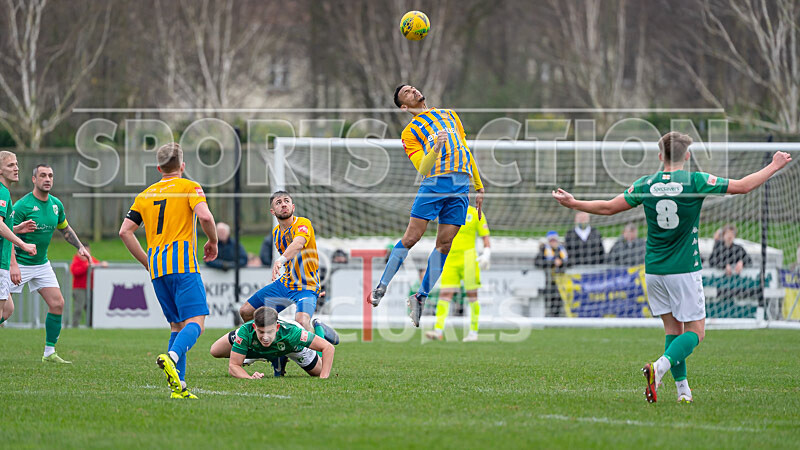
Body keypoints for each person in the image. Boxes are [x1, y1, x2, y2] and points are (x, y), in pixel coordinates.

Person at [552, 131, 791, 404]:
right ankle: (660, 367)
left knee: (673, 330)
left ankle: (683, 392)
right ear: (687, 156)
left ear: (659, 156)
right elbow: (743, 186)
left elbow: (608, 208)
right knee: (696, 332)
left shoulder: (646, 183)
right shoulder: (695, 181)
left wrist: (574, 203)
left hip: (654, 270)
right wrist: (774, 165)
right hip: (684, 269)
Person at [371, 84, 485, 328]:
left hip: (461, 187)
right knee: (412, 238)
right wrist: (435, 148)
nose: (412, 91)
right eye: (406, 93)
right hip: (434, 184)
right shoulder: (410, 132)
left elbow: (465, 150)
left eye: (412, 88)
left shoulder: (449, 114)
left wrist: (478, 185)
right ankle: (381, 286)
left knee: (445, 244)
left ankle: (420, 297)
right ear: (404, 107)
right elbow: (422, 168)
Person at [119, 143, 219, 399]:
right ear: (182, 166)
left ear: (159, 168)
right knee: (196, 323)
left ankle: (178, 387)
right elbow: (206, 217)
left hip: (158, 269)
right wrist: (213, 241)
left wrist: (147, 261)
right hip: (183, 265)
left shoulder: (144, 195)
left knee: (177, 325)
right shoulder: (189, 187)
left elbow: (125, 232)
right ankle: (172, 357)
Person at [12, 164, 91, 363]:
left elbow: (65, 229)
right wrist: (12, 264)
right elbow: (6, 235)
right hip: (19, 263)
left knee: (57, 304)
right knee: (4, 311)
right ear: (34, 179)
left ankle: (49, 352)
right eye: (43, 175)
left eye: (50, 176)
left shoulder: (56, 205)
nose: (47, 179)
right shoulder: (22, 206)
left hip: (41, 264)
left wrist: (80, 247)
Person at [209, 306, 338, 379]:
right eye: (261, 332)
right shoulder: (245, 331)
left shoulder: (292, 333)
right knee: (215, 351)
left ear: (276, 328)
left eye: (269, 332)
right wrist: (250, 378)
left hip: (291, 347)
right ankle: (273, 356)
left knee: (319, 371)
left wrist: (324, 378)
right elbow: (233, 366)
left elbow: (328, 348)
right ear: (254, 327)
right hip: (259, 346)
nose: (265, 337)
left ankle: (319, 328)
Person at [425, 204, 490, 342]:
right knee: (445, 294)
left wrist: (487, 254)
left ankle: (473, 332)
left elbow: (485, 237)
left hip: (469, 259)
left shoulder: (476, 213)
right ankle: (438, 330)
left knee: (472, 295)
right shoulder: (448, 210)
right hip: (450, 259)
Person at [0, 151, 38, 327]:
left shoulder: (4, 192)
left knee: (8, 309)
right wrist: (22, 243)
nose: (16, 168)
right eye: (10, 165)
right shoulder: (2, 192)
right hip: (1, 262)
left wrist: (15, 229)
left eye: (16, 164)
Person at [69, 243, 108, 327]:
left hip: (90, 288)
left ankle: (91, 325)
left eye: (87, 251)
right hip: (79, 289)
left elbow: (97, 265)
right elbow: (75, 271)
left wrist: (103, 264)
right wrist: (86, 266)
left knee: (91, 308)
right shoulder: (76, 261)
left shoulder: (91, 260)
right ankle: (75, 326)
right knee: (78, 308)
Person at [534, 231, 568, 317]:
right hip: (549, 283)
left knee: (560, 304)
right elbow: (537, 262)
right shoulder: (544, 250)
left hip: (561, 283)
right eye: (551, 240)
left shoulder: (562, 250)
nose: (553, 242)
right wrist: (553, 262)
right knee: (549, 304)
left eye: (555, 240)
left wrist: (561, 262)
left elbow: (570, 262)